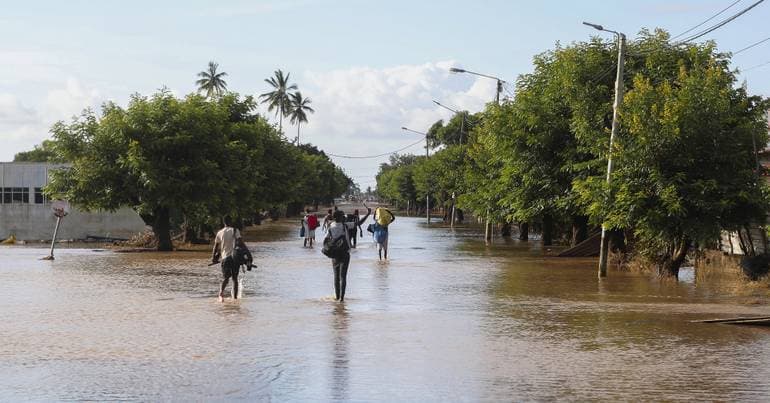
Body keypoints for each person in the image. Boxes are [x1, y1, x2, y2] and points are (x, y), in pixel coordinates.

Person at [211, 215, 246, 302]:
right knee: (235, 279)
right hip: (235, 258)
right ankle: (235, 298)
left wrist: (213, 258)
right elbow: (241, 243)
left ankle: (221, 293)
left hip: (225, 258)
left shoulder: (219, 232)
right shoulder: (235, 230)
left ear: (224, 222)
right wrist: (246, 255)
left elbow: (215, 247)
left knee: (226, 278)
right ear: (230, 222)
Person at [327, 210, 351, 301]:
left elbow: (326, 239)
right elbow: (358, 223)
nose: (344, 217)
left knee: (336, 277)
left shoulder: (331, 227)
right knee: (343, 277)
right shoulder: (345, 225)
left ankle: (337, 297)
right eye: (342, 216)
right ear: (340, 217)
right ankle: (341, 298)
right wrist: (368, 214)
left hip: (335, 254)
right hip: (345, 253)